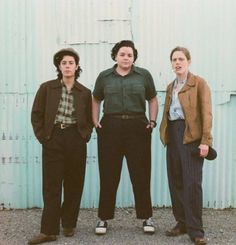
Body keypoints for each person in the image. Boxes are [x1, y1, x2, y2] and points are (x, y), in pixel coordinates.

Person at [92, 40, 158, 235]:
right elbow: (96, 99)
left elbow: (152, 98)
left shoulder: (143, 75)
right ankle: (103, 219)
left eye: (129, 55)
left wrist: (152, 121)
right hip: (110, 126)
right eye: (122, 54)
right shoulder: (104, 77)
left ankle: (146, 217)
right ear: (115, 56)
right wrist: (95, 121)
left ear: (134, 57)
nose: (126, 58)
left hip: (138, 126)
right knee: (109, 173)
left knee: (141, 173)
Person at [29, 48, 93, 244]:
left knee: (74, 183)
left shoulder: (84, 92)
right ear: (59, 66)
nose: (67, 66)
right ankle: (48, 230)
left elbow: (90, 118)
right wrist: (43, 137)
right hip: (53, 138)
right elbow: (36, 114)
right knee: (52, 185)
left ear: (77, 66)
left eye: (71, 63)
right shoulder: (47, 88)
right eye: (64, 63)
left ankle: (68, 224)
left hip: (75, 138)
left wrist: (84, 136)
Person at [159, 47, 213, 245]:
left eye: (181, 59)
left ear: (189, 61)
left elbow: (206, 113)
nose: (177, 63)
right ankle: (181, 222)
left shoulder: (198, 83)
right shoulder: (170, 86)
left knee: (192, 183)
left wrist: (206, 141)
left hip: (191, 136)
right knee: (176, 181)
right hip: (173, 134)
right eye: (174, 59)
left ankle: (196, 230)